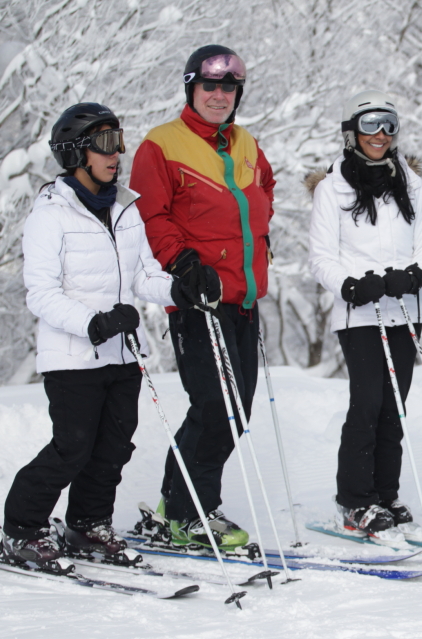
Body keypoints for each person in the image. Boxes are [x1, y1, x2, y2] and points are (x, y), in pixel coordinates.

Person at [0, 103, 219, 568]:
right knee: (72, 446)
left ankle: (87, 524)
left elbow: (142, 276)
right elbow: (40, 294)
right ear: (75, 152)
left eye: (119, 141)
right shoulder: (50, 215)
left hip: (120, 354)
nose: (116, 153)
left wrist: (181, 289)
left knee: (115, 446)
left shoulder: (124, 208)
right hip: (72, 356)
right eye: (104, 144)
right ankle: (23, 527)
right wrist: (92, 323)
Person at [129, 45, 275, 550]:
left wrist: (261, 245)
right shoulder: (161, 145)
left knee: (237, 409)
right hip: (200, 301)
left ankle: (177, 501)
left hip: (244, 298)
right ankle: (193, 512)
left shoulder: (246, 143)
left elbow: (263, 195)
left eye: (228, 87)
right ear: (191, 88)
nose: (219, 95)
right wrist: (184, 263)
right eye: (209, 86)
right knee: (215, 406)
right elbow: (151, 216)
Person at [308, 90, 422, 539]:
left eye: (389, 125)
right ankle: (355, 499)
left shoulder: (411, 183)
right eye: (370, 125)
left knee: (394, 407)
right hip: (360, 311)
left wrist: (417, 274)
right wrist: (348, 284)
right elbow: (321, 255)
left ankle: (386, 492)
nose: (380, 134)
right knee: (367, 403)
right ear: (352, 132)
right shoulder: (333, 187)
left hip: (404, 306)